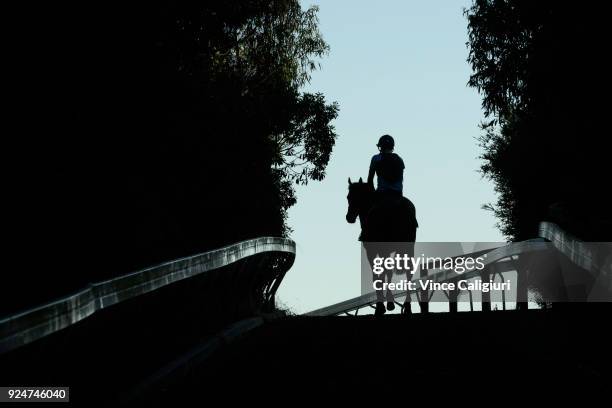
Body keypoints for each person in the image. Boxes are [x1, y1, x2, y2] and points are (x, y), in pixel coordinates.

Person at [367, 134, 404, 199]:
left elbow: (370, 179)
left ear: (381, 146)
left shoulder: (376, 158)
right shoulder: (400, 159)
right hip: (398, 194)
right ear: (392, 147)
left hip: (382, 194)